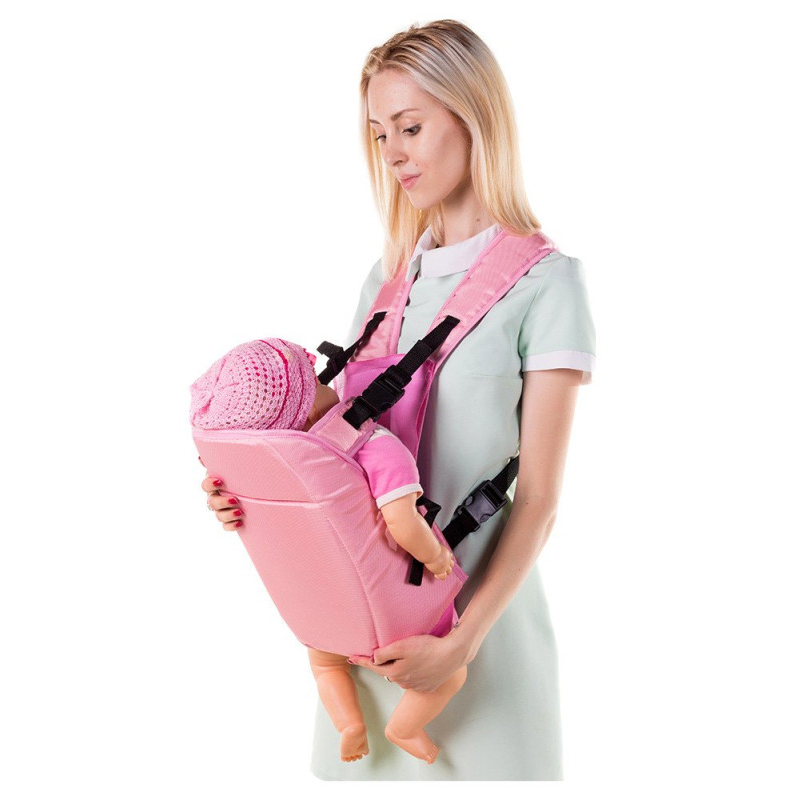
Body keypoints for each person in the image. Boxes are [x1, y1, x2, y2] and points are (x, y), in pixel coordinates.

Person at [203, 19, 596, 780]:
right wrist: (247, 492)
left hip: (477, 649)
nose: (392, 154)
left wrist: (461, 643)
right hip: (364, 643)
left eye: (410, 127)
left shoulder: (548, 284)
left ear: (474, 116)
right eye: (380, 134)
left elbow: (541, 499)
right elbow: (336, 449)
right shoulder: (386, 283)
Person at [191, 337, 466, 765]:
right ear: (309, 406)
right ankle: (404, 727)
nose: (327, 380)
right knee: (452, 675)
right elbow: (402, 520)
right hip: (396, 620)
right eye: (315, 379)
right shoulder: (371, 443)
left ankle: (349, 723)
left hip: (320, 618)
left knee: (325, 666)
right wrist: (435, 557)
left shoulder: (261, 470)